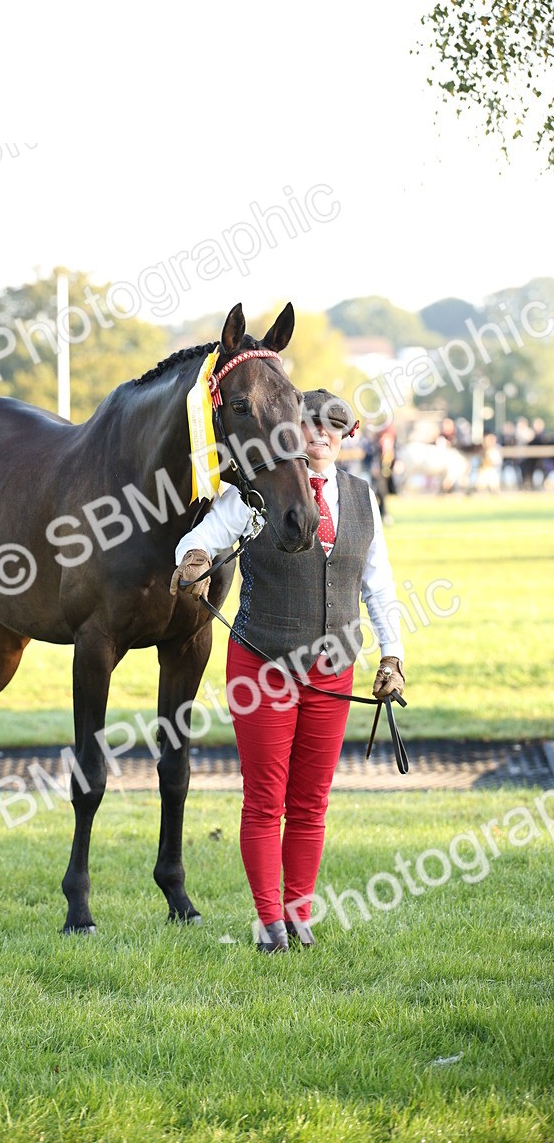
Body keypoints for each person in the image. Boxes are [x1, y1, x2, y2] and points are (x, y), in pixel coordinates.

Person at [170, 389, 405, 952]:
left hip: (333, 670)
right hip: (263, 665)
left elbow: (378, 584)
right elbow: (198, 538)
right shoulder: (255, 495)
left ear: (346, 435)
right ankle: (268, 921)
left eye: (332, 425)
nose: (319, 434)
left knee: (311, 801)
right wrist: (195, 560)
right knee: (265, 798)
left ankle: (299, 915)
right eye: (308, 423)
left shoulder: (362, 498)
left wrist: (391, 655)